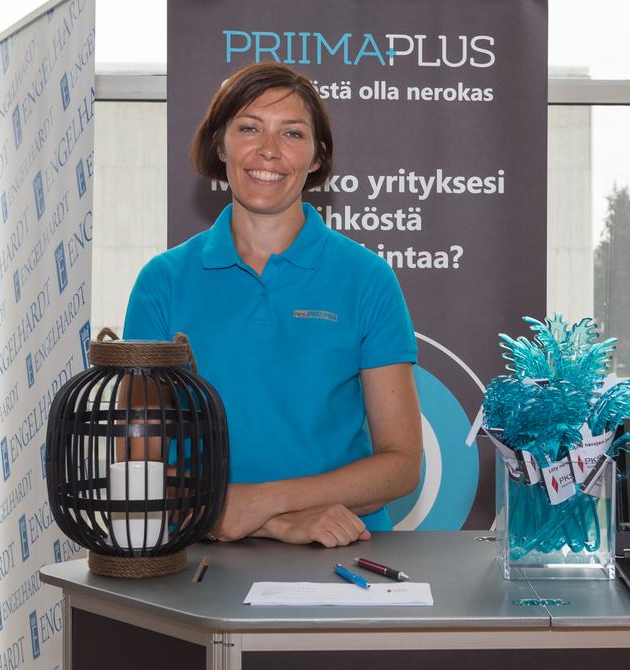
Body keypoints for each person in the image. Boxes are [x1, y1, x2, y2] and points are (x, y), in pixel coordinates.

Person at [123, 63, 422, 548]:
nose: (268, 149)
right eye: (249, 128)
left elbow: (401, 464)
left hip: (339, 551)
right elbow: (139, 460)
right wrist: (276, 523)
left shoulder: (367, 278)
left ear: (317, 157)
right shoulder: (163, 282)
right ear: (220, 145)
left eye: (292, 133)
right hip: (198, 553)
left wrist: (260, 503)